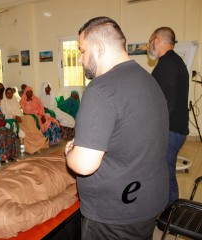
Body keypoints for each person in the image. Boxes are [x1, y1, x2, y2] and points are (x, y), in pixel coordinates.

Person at [65, 16, 169, 239]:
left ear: (99, 48)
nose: (81, 60)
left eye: (82, 51)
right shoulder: (148, 79)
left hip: (115, 214)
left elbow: (84, 165)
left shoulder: (101, 89)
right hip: (148, 202)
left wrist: (70, 152)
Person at [148, 27, 189, 205]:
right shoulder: (174, 62)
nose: (149, 47)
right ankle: (169, 210)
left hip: (170, 130)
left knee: (165, 174)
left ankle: (170, 213)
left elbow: (167, 103)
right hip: (173, 129)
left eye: (150, 42)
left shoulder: (168, 64)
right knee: (166, 171)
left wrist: (155, 131)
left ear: (157, 40)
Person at [0, 87, 49, 154]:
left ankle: (38, 142)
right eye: (7, 93)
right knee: (27, 126)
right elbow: (5, 114)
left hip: (20, 117)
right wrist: (14, 116)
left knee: (30, 119)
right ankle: (36, 144)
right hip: (11, 120)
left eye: (11, 93)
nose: (10, 94)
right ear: (5, 94)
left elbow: (20, 111)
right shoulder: (3, 102)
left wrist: (20, 116)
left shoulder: (14, 100)